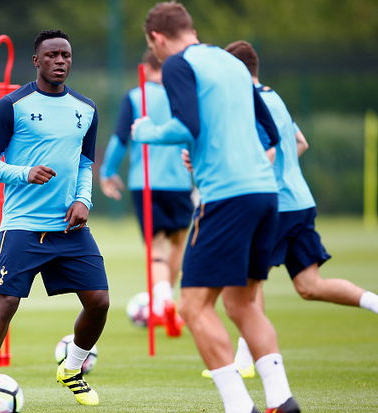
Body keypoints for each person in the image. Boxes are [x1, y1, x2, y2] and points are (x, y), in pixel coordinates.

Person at [132, 3, 299, 413]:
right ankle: (282, 400)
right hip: (265, 194)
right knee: (241, 303)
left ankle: (239, 408)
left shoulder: (176, 64)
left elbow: (188, 125)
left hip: (226, 196)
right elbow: (270, 131)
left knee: (192, 305)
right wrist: (207, 150)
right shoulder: (230, 61)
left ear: (156, 38)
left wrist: (146, 131)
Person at [0, 29, 109, 409]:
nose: (60, 61)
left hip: (70, 227)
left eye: (66, 55)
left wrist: (83, 200)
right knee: (6, 305)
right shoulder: (12, 105)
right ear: (37, 61)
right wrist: (23, 172)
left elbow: (85, 164)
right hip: (23, 226)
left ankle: (72, 369)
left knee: (100, 302)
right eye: (52, 55)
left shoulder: (87, 108)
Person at [218, 40, 378, 380]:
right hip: (301, 201)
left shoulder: (248, 102)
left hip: (274, 205)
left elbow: (267, 154)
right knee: (309, 286)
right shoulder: (275, 98)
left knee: (249, 284)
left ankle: (245, 360)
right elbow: (300, 143)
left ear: (235, 71)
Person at [99, 49, 194, 337]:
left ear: (146, 67)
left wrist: (107, 171)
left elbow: (120, 138)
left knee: (155, 249)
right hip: (180, 181)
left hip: (146, 184)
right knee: (178, 243)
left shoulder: (135, 96)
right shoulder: (183, 95)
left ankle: (162, 298)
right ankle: (167, 300)